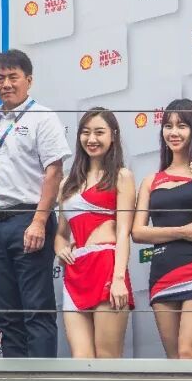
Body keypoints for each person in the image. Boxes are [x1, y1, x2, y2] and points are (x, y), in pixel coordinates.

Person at [0, 49, 70, 358]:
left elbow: (54, 172)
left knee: (36, 309)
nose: (6, 84)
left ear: (28, 80)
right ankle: (13, 379)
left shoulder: (43, 117)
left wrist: (40, 221)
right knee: (5, 313)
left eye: (13, 77)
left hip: (29, 219)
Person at [132, 98, 192, 359]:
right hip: (163, 272)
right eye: (168, 126)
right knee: (175, 362)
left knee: (189, 354)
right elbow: (138, 232)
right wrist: (182, 231)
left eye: (182, 126)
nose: (173, 132)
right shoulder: (151, 180)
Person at [55, 108, 136, 358]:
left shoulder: (122, 176)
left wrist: (119, 278)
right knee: (81, 360)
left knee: (107, 358)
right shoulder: (67, 183)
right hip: (75, 273)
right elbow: (61, 234)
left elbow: (123, 233)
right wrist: (60, 248)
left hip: (106, 268)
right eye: (86, 132)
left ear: (113, 135)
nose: (91, 139)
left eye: (99, 132)